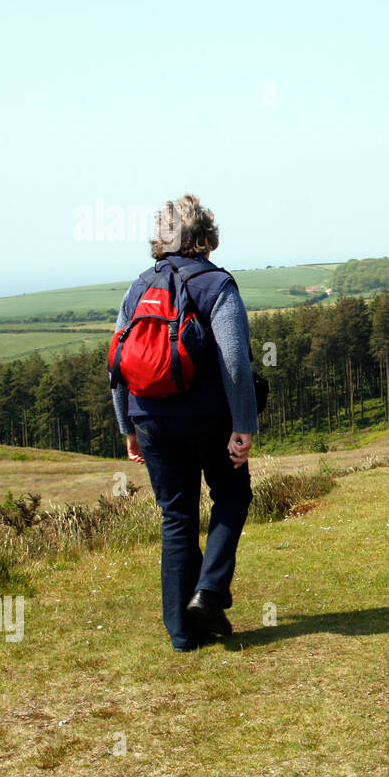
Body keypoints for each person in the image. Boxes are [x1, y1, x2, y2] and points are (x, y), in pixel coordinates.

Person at [111, 194, 257, 651]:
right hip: (210, 419)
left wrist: (128, 428)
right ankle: (210, 593)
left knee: (176, 519)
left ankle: (182, 633)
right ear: (207, 237)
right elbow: (235, 362)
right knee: (233, 495)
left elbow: (117, 363)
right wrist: (244, 424)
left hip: (150, 418)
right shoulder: (217, 285)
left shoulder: (139, 285)